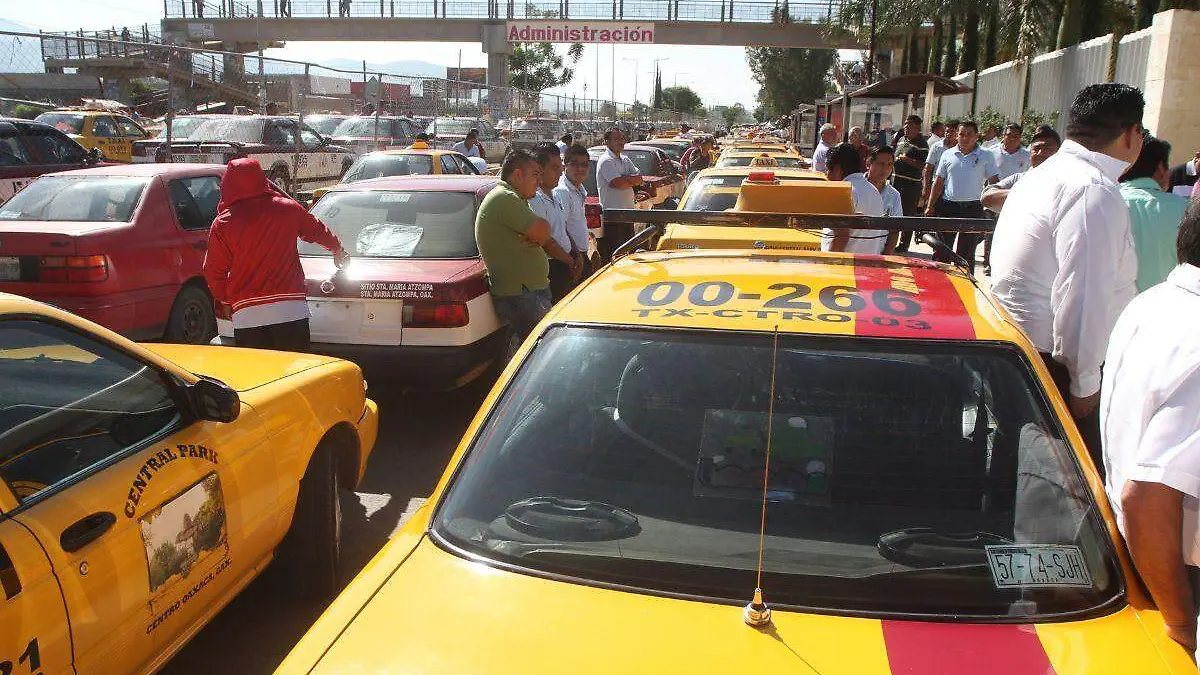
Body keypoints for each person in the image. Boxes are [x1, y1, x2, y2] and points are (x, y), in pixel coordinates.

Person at [991, 83, 1144, 469]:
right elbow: (1083, 297)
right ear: (1130, 134)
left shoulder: (1047, 175)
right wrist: (1085, 384)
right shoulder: (1092, 189)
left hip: (1024, 355)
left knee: (1018, 473)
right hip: (1058, 370)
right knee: (1069, 492)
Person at [1100, 200, 1200, 655]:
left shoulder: (1153, 302)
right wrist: (1183, 625)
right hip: (1175, 579)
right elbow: (1148, 496)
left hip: (1141, 560)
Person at [203, 158, 349, 351]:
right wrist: (337, 250)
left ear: (227, 185)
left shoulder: (223, 223)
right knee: (293, 375)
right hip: (291, 310)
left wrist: (226, 300)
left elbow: (213, 271)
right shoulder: (288, 208)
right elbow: (317, 231)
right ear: (261, 179)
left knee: (259, 377)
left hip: (248, 315)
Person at [474, 149, 560, 345]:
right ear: (518, 174)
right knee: (544, 348)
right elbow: (543, 231)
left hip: (527, 292)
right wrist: (537, 234)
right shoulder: (505, 198)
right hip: (522, 295)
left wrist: (537, 234)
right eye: (535, 175)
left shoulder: (516, 198)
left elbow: (541, 233)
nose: (539, 182)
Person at [925, 120, 999, 272]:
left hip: (972, 208)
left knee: (966, 253)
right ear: (957, 136)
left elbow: (994, 182)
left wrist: (994, 207)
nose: (965, 138)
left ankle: (964, 286)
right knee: (942, 250)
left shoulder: (986, 155)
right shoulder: (948, 154)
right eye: (961, 134)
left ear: (976, 136)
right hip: (948, 207)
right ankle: (938, 283)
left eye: (969, 134)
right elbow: (938, 181)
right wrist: (930, 205)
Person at [1119, 134, 1189, 292]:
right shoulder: (1184, 211)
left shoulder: (1106, 201)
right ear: (1161, 169)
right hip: (1165, 310)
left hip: (1112, 313)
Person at [527, 143, 581, 302]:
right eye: (555, 167)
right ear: (539, 170)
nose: (560, 172)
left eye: (561, 166)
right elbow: (546, 241)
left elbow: (563, 228)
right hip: (552, 267)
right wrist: (570, 262)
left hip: (567, 262)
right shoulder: (534, 199)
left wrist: (577, 254)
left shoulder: (555, 195)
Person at [821, 143, 888, 254]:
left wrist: (827, 265)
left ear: (838, 169)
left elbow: (840, 239)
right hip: (869, 266)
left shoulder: (843, 192)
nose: (827, 176)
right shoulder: (874, 191)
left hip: (843, 268)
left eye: (828, 171)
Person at [982, 126, 1061, 212]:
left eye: (1048, 148)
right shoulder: (1018, 178)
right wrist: (1028, 194)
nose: (1041, 153)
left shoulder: (1066, 181)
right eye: (1036, 148)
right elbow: (987, 198)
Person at [596, 127, 644, 255]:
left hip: (628, 215)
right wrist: (630, 180)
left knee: (629, 253)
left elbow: (639, 179)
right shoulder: (606, 161)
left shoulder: (625, 159)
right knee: (617, 254)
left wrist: (626, 179)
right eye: (617, 139)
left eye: (622, 139)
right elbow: (619, 184)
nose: (621, 142)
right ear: (607, 142)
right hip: (613, 216)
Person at [554, 144, 593, 287]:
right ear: (565, 166)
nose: (580, 169)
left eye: (584, 165)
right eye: (575, 164)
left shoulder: (578, 189)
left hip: (580, 256)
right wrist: (576, 257)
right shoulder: (562, 191)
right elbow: (561, 228)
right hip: (571, 260)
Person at [892, 115, 928, 250]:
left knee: (908, 214)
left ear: (917, 128)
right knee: (894, 213)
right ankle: (892, 241)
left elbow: (922, 165)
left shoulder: (922, 144)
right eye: (905, 124)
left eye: (910, 125)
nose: (906, 127)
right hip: (896, 183)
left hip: (911, 187)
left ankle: (904, 244)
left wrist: (906, 160)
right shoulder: (901, 140)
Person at [866, 145, 904, 254]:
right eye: (880, 164)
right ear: (868, 163)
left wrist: (886, 257)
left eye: (889, 165)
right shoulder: (855, 189)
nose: (885, 169)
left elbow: (894, 231)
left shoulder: (894, 195)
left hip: (877, 256)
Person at [921, 119, 959, 210]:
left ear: (958, 133)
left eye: (952, 131)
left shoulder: (961, 148)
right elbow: (928, 169)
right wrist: (926, 188)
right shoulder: (937, 147)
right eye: (947, 131)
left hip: (954, 188)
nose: (948, 134)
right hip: (937, 186)